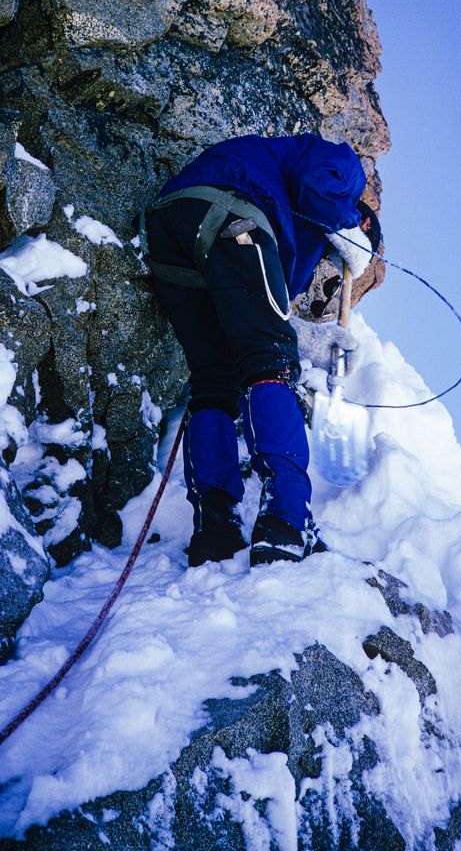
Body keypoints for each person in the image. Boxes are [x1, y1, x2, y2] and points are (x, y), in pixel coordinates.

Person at [145, 133, 377, 568]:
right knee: (270, 363)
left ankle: (215, 530)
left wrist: (306, 336)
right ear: (360, 222)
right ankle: (286, 520)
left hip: (172, 232)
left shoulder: (298, 243)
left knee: (217, 380)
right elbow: (318, 176)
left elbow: (255, 312)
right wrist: (345, 216)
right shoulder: (346, 178)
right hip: (232, 212)